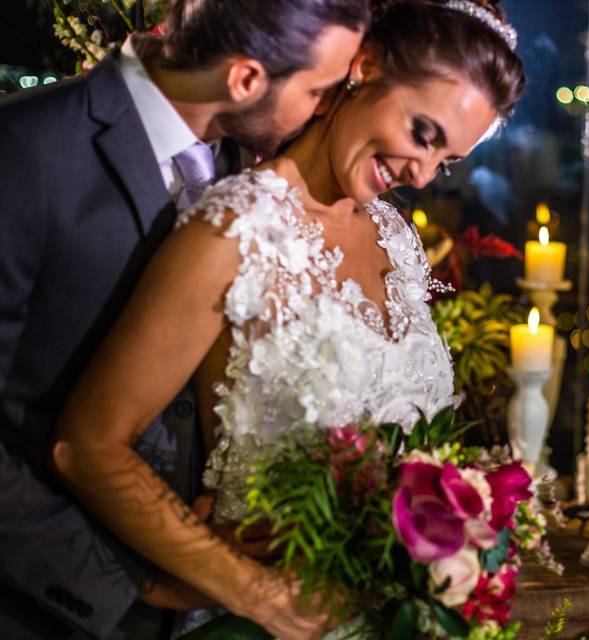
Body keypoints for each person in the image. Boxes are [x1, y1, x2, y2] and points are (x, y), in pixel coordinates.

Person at [52, 0, 525, 637]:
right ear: (366, 66)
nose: (423, 172)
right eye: (424, 133)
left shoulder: (396, 237)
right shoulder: (234, 229)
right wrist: (258, 593)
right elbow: (88, 445)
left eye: (448, 161)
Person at [0, 1, 367, 638]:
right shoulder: (24, 149)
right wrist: (133, 578)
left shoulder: (233, 162)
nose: (323, 110)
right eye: (319, 90)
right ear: (247, 79)